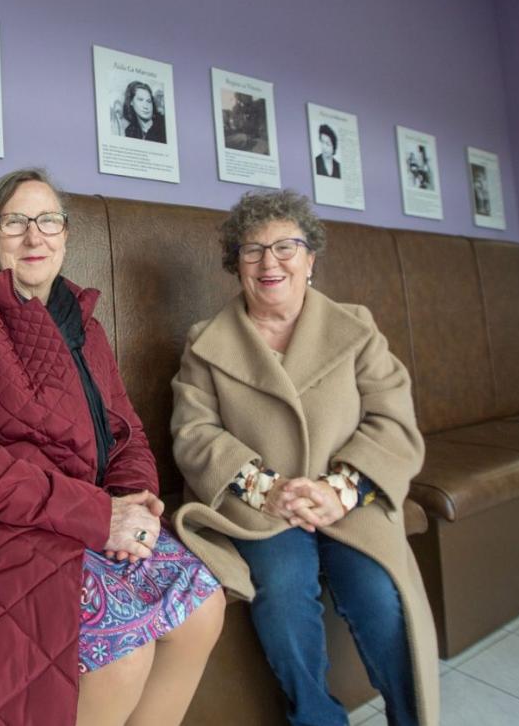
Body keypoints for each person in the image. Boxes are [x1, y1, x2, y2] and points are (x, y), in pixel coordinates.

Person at [0, 168, 225, 726]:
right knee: (121, 652)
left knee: (204, 607)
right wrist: (100, 515)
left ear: (66, 235)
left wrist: (135, 502)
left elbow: (126, 433)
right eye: (15, 222)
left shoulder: (87, 329)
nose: (35, 236)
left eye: (49, 220)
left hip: (82, 516)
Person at [169, 189, 439, 726]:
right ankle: (318, 718)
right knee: (284, 592)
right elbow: (194, 432)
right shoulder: (205, 343)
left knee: (379, 595)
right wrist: (265, 487)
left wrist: (339, 490)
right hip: (260, 507)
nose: (269, 262)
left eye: (285, 247)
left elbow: (392, 419)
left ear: (310, 259)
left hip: (348, 499)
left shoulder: (356, 328)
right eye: (252, 250)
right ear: (236, 265)